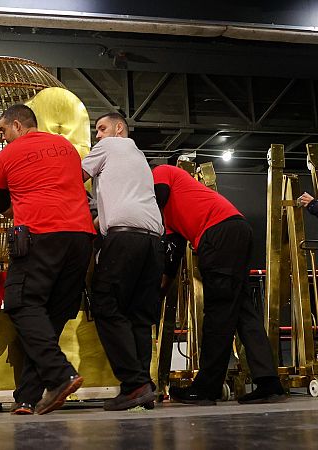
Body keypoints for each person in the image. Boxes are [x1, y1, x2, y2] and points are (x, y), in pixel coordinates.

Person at [153, 163, 286, 405]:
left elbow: (157, 194)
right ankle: (269, 381)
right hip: (235, 229)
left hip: (217, 233)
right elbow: (172, 259)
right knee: (242, 309)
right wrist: (158, 294)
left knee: (218, 311)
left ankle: (206, 388)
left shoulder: (160, 171)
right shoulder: (170, 218)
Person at [0, 104, 95, 415]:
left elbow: (0, 203)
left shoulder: (7, 155)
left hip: (40, 234)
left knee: (19, 303)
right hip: (80, 237)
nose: (2, 138)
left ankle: (60, 374)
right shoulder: (66, 147)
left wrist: (22, 209)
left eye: (3, 131)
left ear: (18, 125)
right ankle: (28, 396)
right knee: (51, 316)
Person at [81, 113, 164, 411]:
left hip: (124, 238)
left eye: (102, 129)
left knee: (104, 303)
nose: (98, 136)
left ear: (119, 129)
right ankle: (144, 386)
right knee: (139, 316)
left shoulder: (111, 146)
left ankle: (134, 384)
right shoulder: (139, 157)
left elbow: (73, 178)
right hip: (153, 240)